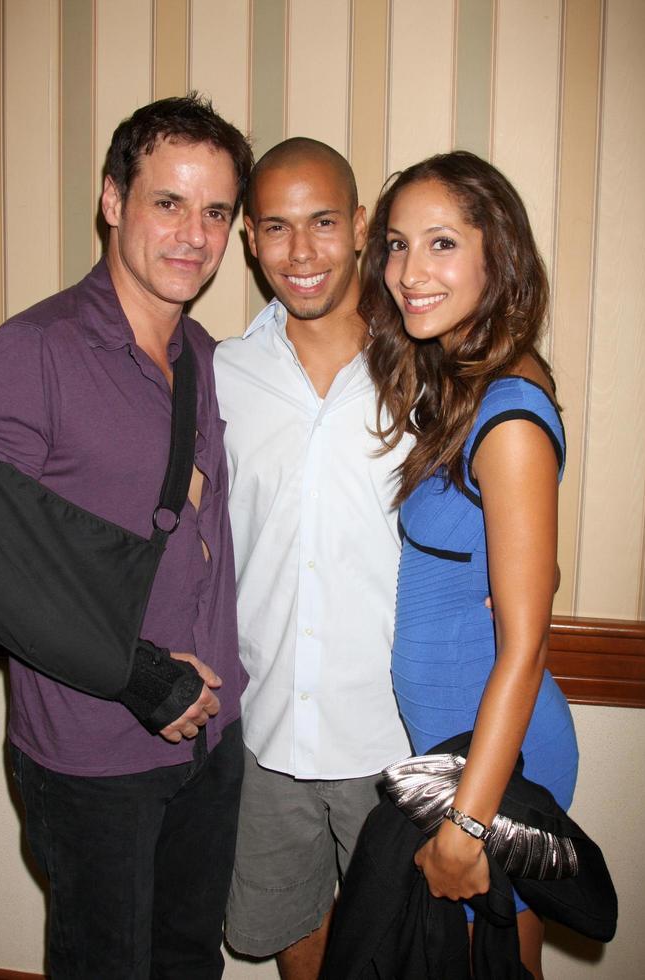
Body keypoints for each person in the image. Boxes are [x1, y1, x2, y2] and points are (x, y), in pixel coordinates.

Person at [0, 94, 252, 979]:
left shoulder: (211, 362)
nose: (194, 234)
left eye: (216, 211)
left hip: (214, 742)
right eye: (168, 202)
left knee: (188, 963)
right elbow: (2, 562)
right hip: (92, 754)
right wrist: (143, 675)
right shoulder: (33, 353)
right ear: (113, 200)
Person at [361, 150, 579, 980]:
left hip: (495, 765)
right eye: (396, 243)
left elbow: (524, 649)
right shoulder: (462, 385)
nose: (410, 271)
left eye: (442, 244)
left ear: (499, 257)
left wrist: (469, 827)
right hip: (454, 749)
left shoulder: (509, 416)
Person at [214, 138, 413, 979]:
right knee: (296, 936)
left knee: (405, 951)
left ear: (360, 225)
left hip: (394, 739)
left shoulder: (426, 371)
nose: (301, 253)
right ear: (251, 241)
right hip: (267, 731)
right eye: (277, 227)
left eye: (324, 222)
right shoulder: (221, 372)